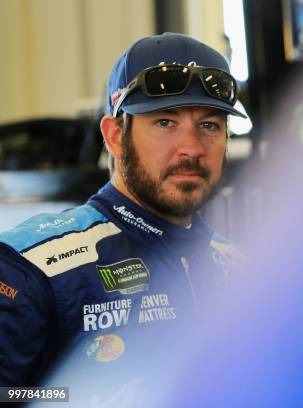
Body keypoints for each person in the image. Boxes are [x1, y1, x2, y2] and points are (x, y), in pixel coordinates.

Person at [0, 32, 245, 387]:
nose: (191, 148)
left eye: (209, 125)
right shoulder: (28, 270)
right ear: (115, 136)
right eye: (165, 122)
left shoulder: (244, 270)